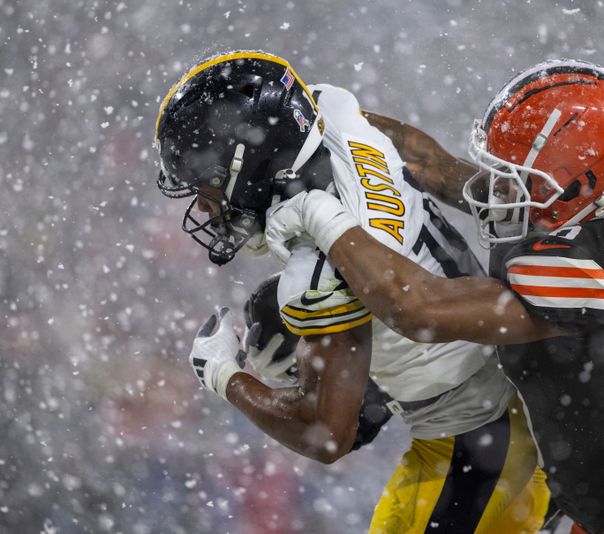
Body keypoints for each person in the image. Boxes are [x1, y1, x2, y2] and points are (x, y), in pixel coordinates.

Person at [263, 59, 604, 533]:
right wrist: (310, 122)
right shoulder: (572, 208)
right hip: (586, 508)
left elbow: (417, 308)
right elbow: (430, 163)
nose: (500, 185)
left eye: (517, 174)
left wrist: (322, 215)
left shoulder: (575, 267)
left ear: (582, 181)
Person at [154, 50, 551, 533]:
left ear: (246, 164)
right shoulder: (331, 112)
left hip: (477, 444)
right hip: (517, 384)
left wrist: (223, 375)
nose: (204, 203)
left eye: (208, 184)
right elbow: (427, 161)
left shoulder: (318, 273)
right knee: (276, 317)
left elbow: (324, 435)